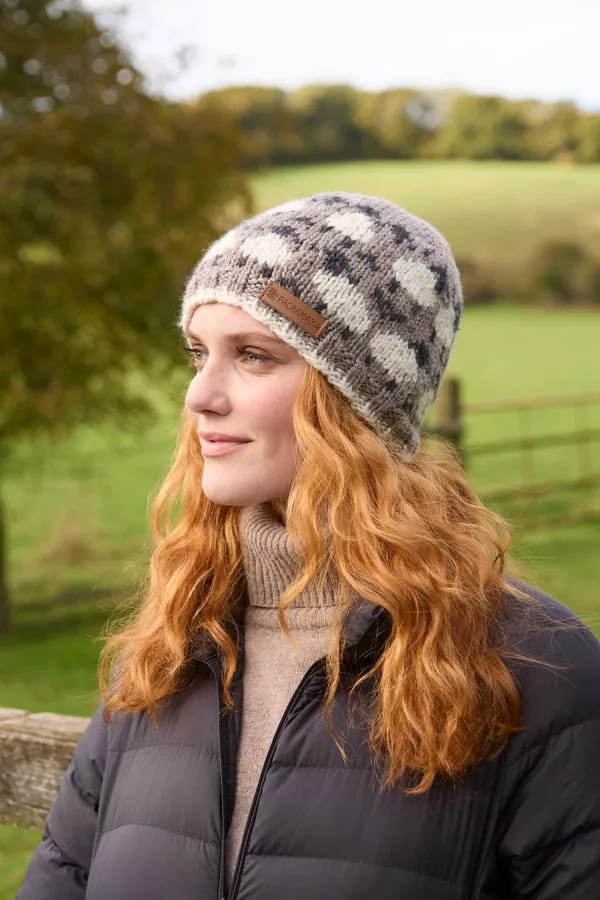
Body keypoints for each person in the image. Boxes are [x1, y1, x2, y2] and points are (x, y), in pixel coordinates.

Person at [18, 192, 600, 900]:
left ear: (357, 399)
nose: (201, 394)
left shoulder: (532, 668)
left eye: (253, 356)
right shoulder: (169, 648)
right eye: (199, 353)